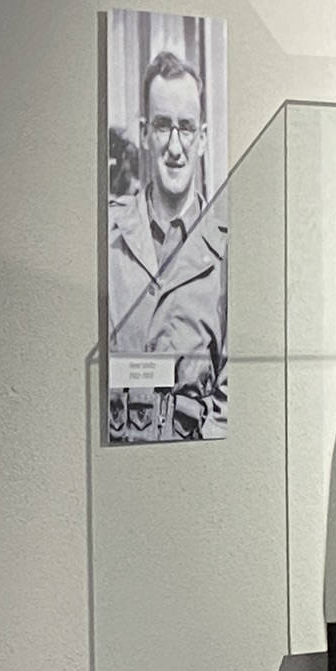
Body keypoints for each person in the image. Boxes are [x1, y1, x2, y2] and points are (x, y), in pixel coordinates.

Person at [106, 40, 227, 442]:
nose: (175, 148)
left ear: (202, 139)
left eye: (186, 128)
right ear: (145, 133)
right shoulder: (108, 242)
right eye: (162, 126)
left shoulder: (227, 257)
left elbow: (231, 403)